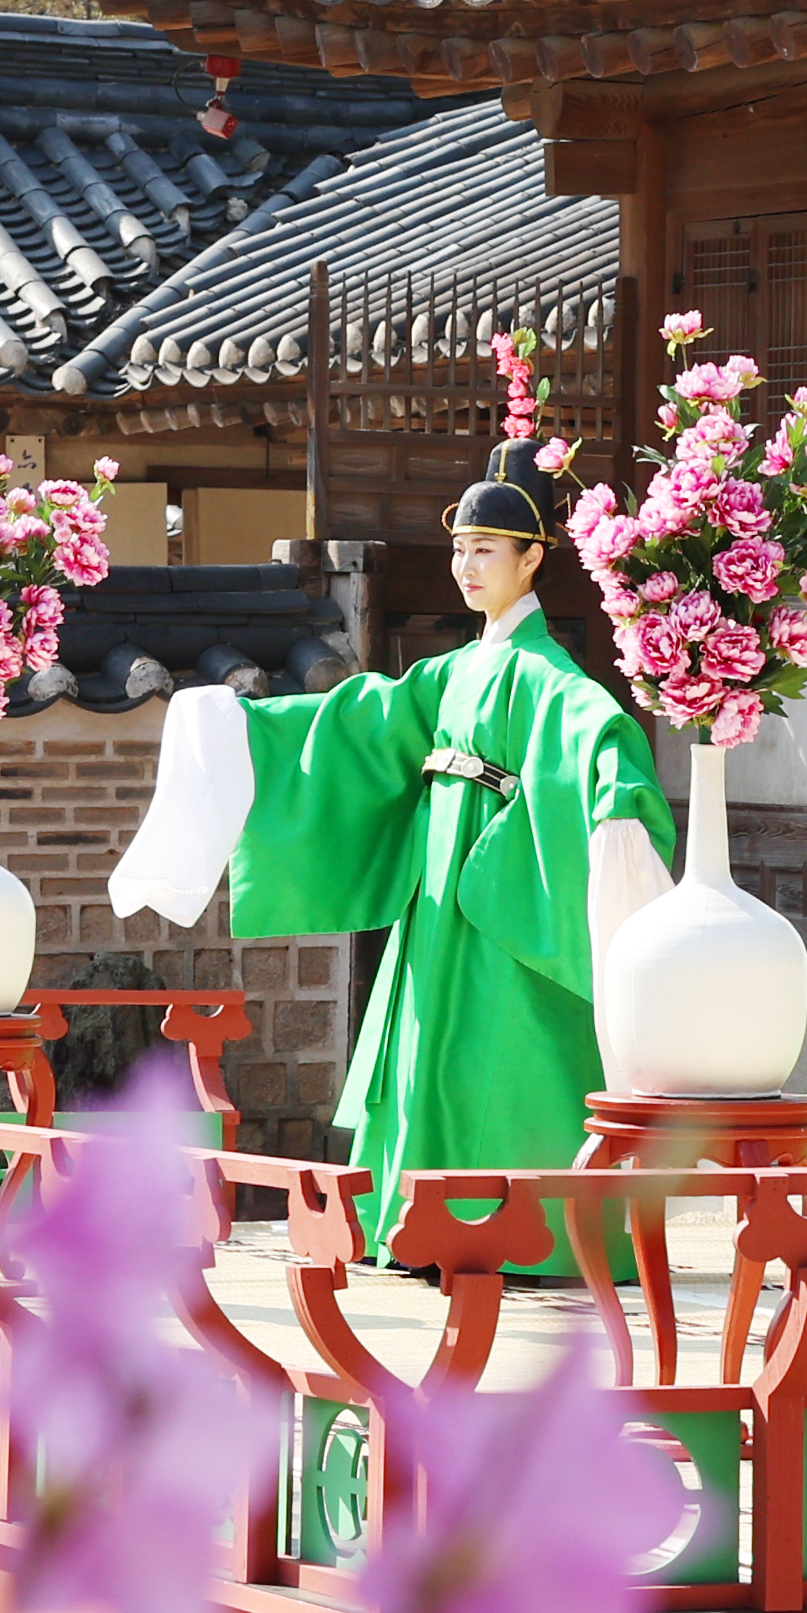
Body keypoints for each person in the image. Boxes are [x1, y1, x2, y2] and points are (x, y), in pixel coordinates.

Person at [107, 417, 667, 1272]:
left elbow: (595, 734)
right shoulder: (450, 671)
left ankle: (527, 1232)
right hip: (436, 884)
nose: (467, 566)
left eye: (488, 549)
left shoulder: (554, 678)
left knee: (497, 1043)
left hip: (494, 883)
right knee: (426, 1042)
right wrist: (239, 723)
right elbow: (361, 723)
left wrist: (613, 795)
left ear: (532, 559)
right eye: (461, 548)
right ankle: (420, 1222)